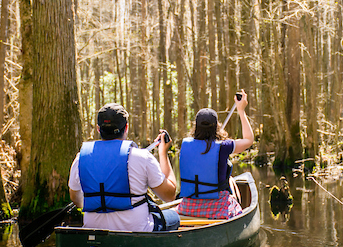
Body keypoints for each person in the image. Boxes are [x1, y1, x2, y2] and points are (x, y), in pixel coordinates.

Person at [68, 103, 180, 231]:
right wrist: (163, 154)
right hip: (137, 231)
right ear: (126, 127)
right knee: (174, 217)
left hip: (94, 229)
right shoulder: (142, 157)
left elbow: (75, 199)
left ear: (99, 129)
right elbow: (169, 195)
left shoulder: (80, 158)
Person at [176, 89, 254, 219]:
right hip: (217, 208)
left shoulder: (185, 145)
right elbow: (248, 140)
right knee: (231, 184)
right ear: (217, 126)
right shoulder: (224, 147)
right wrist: (241, 110)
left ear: (196, 127)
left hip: (188, 207)